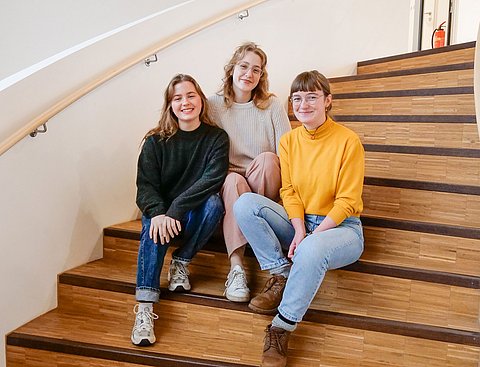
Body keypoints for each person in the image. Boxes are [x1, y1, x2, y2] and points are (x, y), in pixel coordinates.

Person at [234, 70, 365, 367]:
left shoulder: (348, 141)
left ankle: (282, 326)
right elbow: (289, 191)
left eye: (311, 97)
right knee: (245, 204)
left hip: (342, 230)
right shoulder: (289, 141)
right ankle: (281, 273)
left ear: (327, 101)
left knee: (310, 248)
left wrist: (311, 237)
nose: (303, 104)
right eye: (297, 98)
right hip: (301, 223)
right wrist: (298, 230)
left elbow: (347, 201)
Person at [131, 74, 229, 346]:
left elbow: (212, 179)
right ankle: (145, 308)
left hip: (193, 212)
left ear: (201, 100)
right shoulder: (155, 141)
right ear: (170, 105)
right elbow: (145, 186)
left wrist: (176, 209)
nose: (185, 102)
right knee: (152, 224)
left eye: (190, 95)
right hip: (162, 214)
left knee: (214, 203)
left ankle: (181, 261)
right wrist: (161, 212)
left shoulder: (216, 138)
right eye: (178, 98)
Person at [208, 42, 291, 303]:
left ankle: (258, 225)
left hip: (263, 180)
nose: (249, 74)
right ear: (232, 68)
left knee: (268, 159)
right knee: (232, 180)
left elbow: (287, 154)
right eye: (244, 66)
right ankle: (236, 269)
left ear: (261, 76)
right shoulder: (213, 105)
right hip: (231, 181)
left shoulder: (272, 106)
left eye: (256, 70)